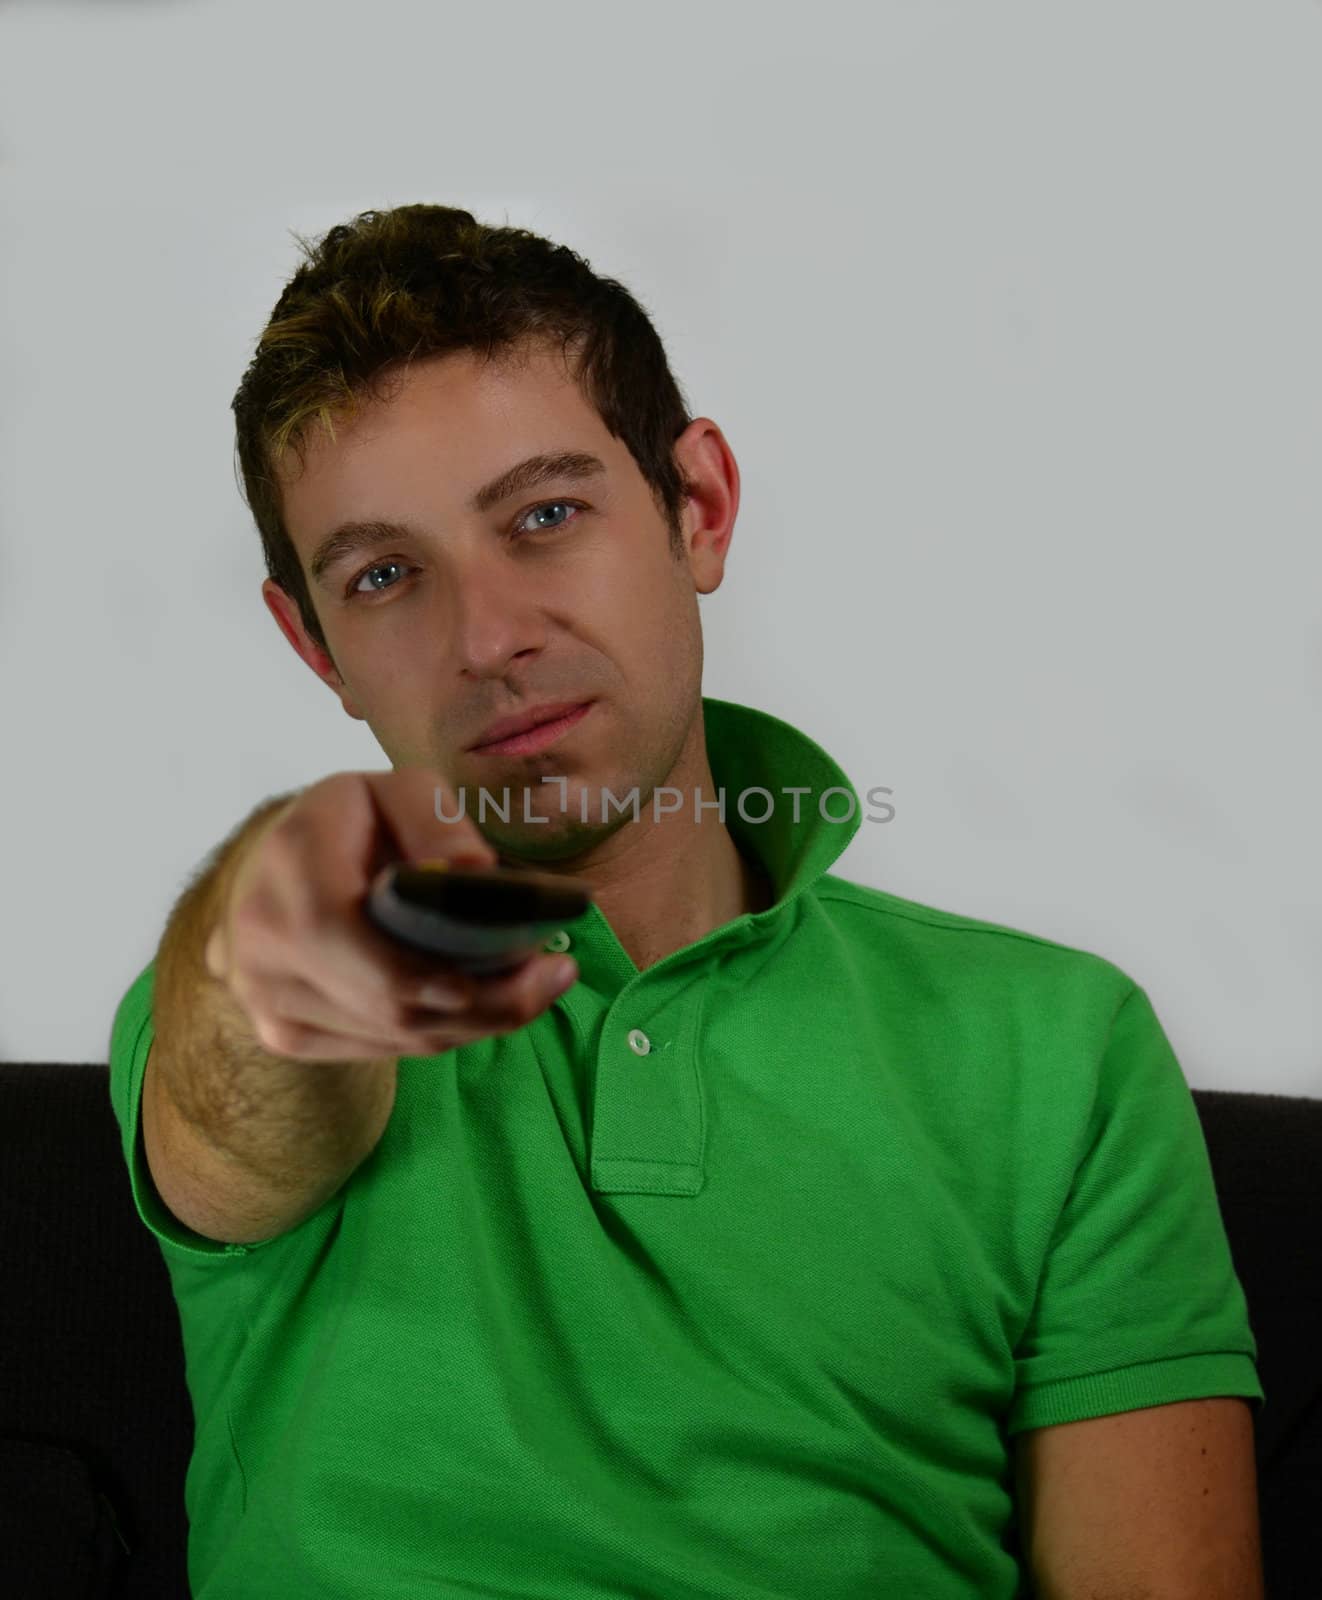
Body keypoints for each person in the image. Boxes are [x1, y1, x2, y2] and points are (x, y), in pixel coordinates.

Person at [109, 204, 1266, 1599]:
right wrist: (269, 959)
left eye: (545, 515)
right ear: (314, 645)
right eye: (386, 576)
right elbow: (241, 1100)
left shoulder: (1057, 1049)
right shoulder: (262, 984)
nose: (489, 640)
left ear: (697, 510)